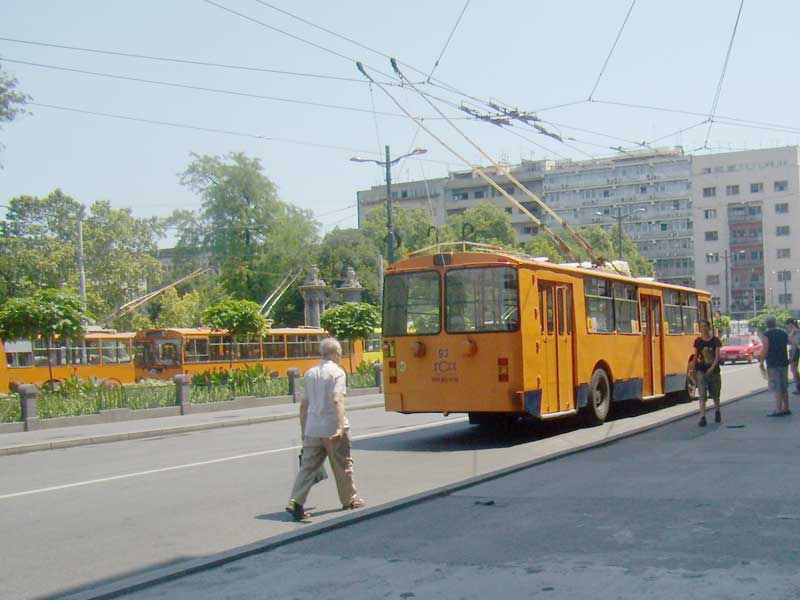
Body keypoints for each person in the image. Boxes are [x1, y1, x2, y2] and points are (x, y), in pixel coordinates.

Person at [285, 337, 365, 521]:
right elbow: (337, 399)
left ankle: (295, 500)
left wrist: (304, 431)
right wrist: (339, 426)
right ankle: (349, 499)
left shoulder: (310, 373)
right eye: (340, 354)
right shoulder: (337, 373)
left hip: (313, 428)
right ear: (336, 354)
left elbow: (304, 405)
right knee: (343, 465)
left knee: (307, 467)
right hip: (332, 427)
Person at [691, 319, 722, 427]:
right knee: (702, 394)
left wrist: (712, 368)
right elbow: (695, 356)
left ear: (709, 328)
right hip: (701, 370)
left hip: (714, 371)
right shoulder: (698, 341)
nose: (703, 328)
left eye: (705, 326)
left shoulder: (715, 341)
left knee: (715, 394)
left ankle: (717, 412)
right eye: (701, 326)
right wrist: (693, 370)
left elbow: (717, 357)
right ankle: (702, 417)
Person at [760, 315, 791, 416]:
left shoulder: (766, 335)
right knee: (784, 386)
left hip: (773, 364)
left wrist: (761, 362)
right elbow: (794, 343)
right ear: (775, 323)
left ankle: (778, 409)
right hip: (784, 363)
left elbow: (765, 349)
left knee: (777, 387)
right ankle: (786, 408)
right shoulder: (783, 333)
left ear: (766, 324)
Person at [786, 318, 800, 395]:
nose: (787, 326)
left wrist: (791, 357)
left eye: (788, 324)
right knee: (795, 370)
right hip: (796, 350)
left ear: (791, 324)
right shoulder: (797, 330)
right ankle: (798, 387)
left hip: (795, 351)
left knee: (794, 370)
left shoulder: (794, 331)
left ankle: (798, 388)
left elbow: (794, 345)